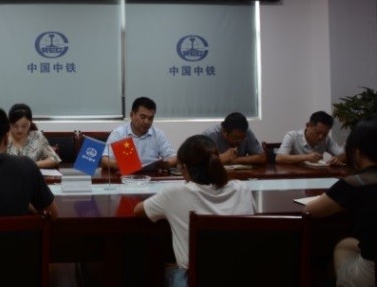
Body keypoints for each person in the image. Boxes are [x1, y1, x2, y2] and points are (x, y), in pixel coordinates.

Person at [133, 135, 255, 287]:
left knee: (156, 269)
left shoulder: (175, 194)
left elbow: (138, 211)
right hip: (240, 276)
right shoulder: (242, 189)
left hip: (192, 278)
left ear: (184, 168)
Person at [305, 117, 377, 287]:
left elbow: (310, 210)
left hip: (371, 272)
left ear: (356, 152)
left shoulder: (354, 183)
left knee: (341, 248)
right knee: (347, 244)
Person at [101, 97, 177, 171]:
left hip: (151, 176)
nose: (146, 122)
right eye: (143, 117)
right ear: (132, 115)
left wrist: (166, 164)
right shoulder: (118, 133)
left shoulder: (158, 134)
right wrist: (122, 165)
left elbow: (174, 158)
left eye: (150, 118)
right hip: (127, 176)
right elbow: (105, 160)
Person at [276, 110, 346, 165]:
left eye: (325, 134)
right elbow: (279, 158)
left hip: (316, 175)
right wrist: (306, 157)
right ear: (308, 125)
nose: (321, 137)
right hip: (293, 175)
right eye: (317, 132)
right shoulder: (292, 136)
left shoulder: (326, 139)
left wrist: (338, 158)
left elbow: (344, 155)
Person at [7, 103, 61, 168]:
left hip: (31, 173)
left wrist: (33, 165)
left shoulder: (37, 137)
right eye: (15, 126)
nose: (20, 130)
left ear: (30, 122)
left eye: (24, 126)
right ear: (9, 123)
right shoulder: (2, 137)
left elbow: (54, 159)